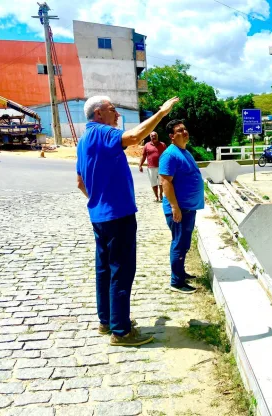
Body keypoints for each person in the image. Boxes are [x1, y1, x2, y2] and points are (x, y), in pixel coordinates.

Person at [76, 95, 179, 346]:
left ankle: (107, 321)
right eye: (113, 109)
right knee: (121, 272)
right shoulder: (103, 132)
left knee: (104, 270)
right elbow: (134, 137)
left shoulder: (83, 140)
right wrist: (162, 113)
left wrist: (100, 199)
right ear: (98, 113)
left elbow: (80, 182)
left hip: (99, 216)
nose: (117, 114)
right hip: (118, 215)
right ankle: (121, 331)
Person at [159, 119, 204, 294]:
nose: (184, 132)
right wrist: (174, 207)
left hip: (188, 208)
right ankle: (176, 282)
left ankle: (181, 272)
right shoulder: (170, 154)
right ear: (171, 136)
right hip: (179, 210)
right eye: (179, 130)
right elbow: (165, 182)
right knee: (179, 243)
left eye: (185, 129)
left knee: (184, 243)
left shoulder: (184, 151)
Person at [139, 131, 167, 202]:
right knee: (153, 182)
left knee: (161, 182)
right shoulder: (147, 145)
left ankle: (161, 194)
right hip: (151, 167)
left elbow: (167, 155)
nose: (153, 137)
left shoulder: (163, 145)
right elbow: (143, 156)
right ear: (150, 137)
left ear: (157, 136)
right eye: (152, 136)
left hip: (161, 167)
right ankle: (156, 196)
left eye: (155, 135)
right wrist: (140, 165)